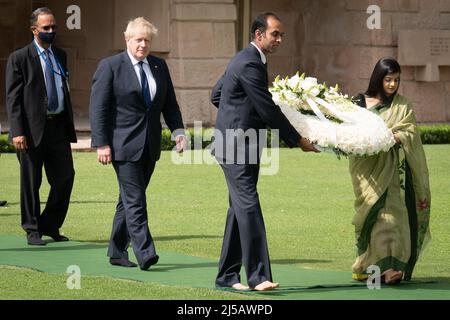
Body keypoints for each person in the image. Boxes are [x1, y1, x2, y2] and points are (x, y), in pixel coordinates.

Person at [211, 12, 318, 291]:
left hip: (236, 144)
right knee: (249, 206)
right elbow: (267, 109)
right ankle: (259, 277)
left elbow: (217, 95)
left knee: (239, 209)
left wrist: (235, 114)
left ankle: (226, 276)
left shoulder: (245, 58)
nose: (280, 39)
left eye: (281, 34)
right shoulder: (249, 63)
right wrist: (297, 140)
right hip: (236, 147)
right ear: (259, 35)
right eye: (275, 34)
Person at [90, 17, 186, 270]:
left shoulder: (158, 66)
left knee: (128, 199)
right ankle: (145, 253)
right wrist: (101, 144)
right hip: (122, 146)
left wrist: (178, 131)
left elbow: (170, 103)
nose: (143, 45)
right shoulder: (110, 66)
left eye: (147, 40)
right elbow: (98, 108)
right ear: (127, 40)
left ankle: (116, 250)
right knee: (135, 201)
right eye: (138, 40)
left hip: (150, 145)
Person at [350, 57, 431, 284]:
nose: (392, 85)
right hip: (365, 171)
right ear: (379, 78)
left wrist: (392, 137)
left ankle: (390, 268)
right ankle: (368, 267)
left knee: (391, 218)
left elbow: (410, 133)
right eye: (388, 80)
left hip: (392, 170)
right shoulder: (358, 101)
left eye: (396, 80)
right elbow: (348, 131)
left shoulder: (402, 106)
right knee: (372, 217)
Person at [6, 7, 77, 246]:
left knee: (65, 177)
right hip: (30, 130)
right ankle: (32, 229)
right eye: (46, 28)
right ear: (34, 29)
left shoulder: (60, 55)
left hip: (57, 127)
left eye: (54, 27)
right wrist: (17, 132)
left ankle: (50, 224)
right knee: (31, 181)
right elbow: (12, 99)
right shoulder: (19, 58)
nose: (51, 31)